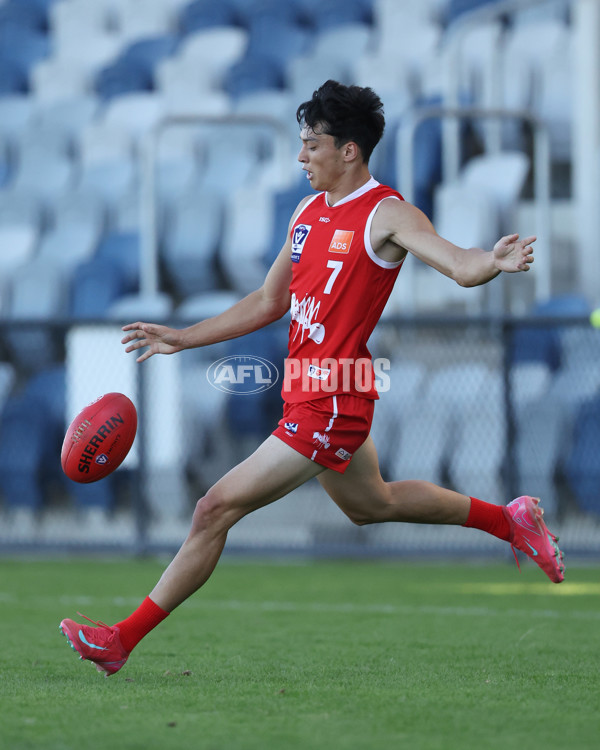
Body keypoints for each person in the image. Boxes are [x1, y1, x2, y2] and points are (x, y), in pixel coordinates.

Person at [60, 80, 564, 677]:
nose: (301, 157)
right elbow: (269, 301)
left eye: (311, 145)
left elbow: (457, 262)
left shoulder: (387, 213)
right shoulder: (306, 214)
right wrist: (182, 336)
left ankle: (120, 639)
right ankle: (510, 519)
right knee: (374, 503)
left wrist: (492, 262)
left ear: (349, 150)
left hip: (333, 402)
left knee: (213, 508)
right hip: (307, 393)